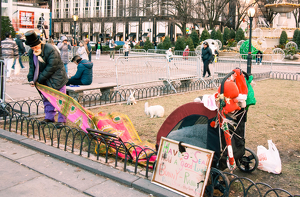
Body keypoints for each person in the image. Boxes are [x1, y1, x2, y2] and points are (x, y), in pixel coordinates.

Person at [25, 30, 68, 128]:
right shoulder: (31, 52)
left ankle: (61, 120)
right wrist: (31, 79)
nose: (34, 49)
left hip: (57, 78)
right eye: (32, 47)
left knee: (60, 99)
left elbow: (51, 67)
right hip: (43, 79)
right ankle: (49, 117)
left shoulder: (51, 49)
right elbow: (32, 67)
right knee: (47, 99)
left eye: (35, 47)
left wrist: (38, 80)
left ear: (40, 43)